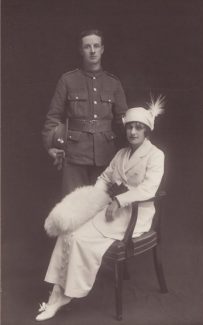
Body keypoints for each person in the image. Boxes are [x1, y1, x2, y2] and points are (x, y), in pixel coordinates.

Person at [36, 98, 165, 321]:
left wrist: (118, 201)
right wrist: (92, 199)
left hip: (136, 215)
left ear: (147, 131)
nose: (133, 132)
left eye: (139, 127)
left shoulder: (156, 155)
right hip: (112, 211)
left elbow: (148, 189)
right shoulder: (121, 154)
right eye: (130, 127)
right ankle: (56, 294)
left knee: (78, 237)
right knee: (69, 231)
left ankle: (66, 295)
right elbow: (105, 178)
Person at [42, 29, 128, 196]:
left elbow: (124, 121)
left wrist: (133, 151)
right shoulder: (67, 80)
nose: (93, 50)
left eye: (96, 46)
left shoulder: (113, 83)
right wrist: (50, 146)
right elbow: (53, 117)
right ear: (81, 50)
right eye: (87, 46)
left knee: (103, 209)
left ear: (102, 49)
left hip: (106, 156)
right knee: (74, 210)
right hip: (74, 156)